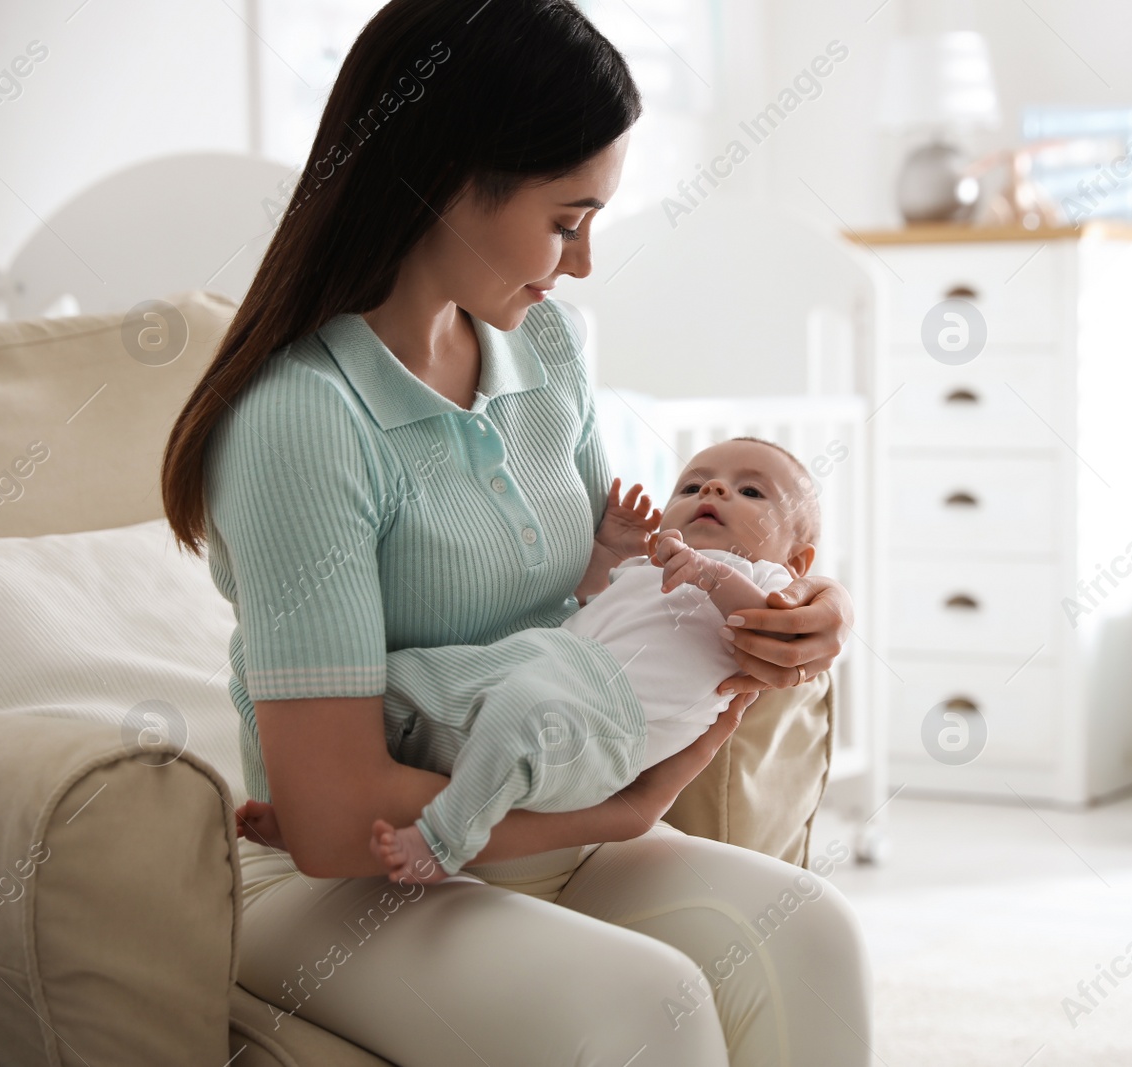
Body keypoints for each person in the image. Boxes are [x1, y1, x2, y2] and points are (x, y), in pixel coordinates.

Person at [159, 1, 870, 1063]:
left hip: (538, 810)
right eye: (564, 217)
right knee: (646, 1006)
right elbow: (331, 812)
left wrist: (813, 609)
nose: (580, 262)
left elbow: (623, 584)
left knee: (813, 934)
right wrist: (623, 812)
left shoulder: (542, 344)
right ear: (446, 176)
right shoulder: (303, 422)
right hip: (356, 872)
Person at [237, 437, 825, 884]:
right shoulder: (648, 568)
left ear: (797, 560)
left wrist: (709, 574)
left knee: (523, 712)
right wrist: (609, 552)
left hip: (611, 721)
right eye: (693, 485)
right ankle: (300, 805)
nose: (714, 492)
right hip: (545, 658)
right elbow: (586, 604)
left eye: (750, 492)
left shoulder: (765, 579)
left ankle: (441, 844)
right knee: (397, 681)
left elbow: (764, 619)